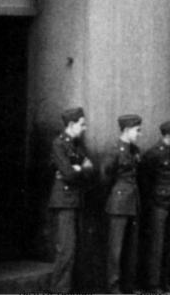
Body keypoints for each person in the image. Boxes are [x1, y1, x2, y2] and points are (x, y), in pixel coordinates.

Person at [48, 107, 95, 294]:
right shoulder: (59, 144)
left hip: (76, 200)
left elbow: (91, 168)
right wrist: (77, 169)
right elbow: (67, 173)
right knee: (66, 250)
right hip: (64, 202)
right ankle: (59, 290)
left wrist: (78, 169)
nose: (84, 128)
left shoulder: (76, 145)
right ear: (71, 125)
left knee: (77, 249)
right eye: (82, 124)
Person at [140, 119, 170, 292]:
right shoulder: (153, 154)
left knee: (168, 244)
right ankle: (153, 284)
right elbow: (145, 181)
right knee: (156, 246)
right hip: (158, 205)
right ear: (168, 135)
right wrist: (154, 202)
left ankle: (164, 282)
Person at [103, 114, 143, 294]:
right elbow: (105, 176)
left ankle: (128, 285)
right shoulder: (114, 150)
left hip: (133, 203)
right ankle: (114, 287)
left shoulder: (134, 150)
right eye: (137, 130)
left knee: (132, 249)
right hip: (119, 204)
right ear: (127, 130)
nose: (139, 133)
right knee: (116, 249)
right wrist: (116, 194)